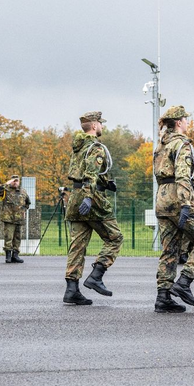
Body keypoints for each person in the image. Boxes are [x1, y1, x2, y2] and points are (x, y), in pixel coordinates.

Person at [152, 105, 194, 313]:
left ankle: (163, 296)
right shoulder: (182, 144)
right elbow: (181, 175)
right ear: (178, 123)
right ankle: (184, 282)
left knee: (170, 249)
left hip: (162, 198)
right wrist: (187, 202)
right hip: (179, 198)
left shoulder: (161, 145)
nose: (187, 122)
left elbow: (162, 173)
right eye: (185, 119)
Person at [64, 111, 123, 304]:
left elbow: (86, 172)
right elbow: (91, 173)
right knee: (115, 238)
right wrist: (90, 196)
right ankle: (96, 276)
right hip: (91, 197)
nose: (103, 127)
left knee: (77, 245)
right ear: (95, 125)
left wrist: (106, 183)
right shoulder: (96, 147)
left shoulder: (78, 147)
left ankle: (71, 289)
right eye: (101, 124)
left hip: (75, 196)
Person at [0, 175, 31, 263]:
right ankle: (8, 256)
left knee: (17, 238)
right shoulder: (5, 190)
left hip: (19, 219)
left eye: (17, 181)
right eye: (13, 181)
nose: (15, 183)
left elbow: (27, 202)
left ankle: (15, 255)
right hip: (9, 218)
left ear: (19, 182)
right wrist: (7, 183)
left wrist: (23, 211)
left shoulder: (23, 191)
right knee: (8, 237)